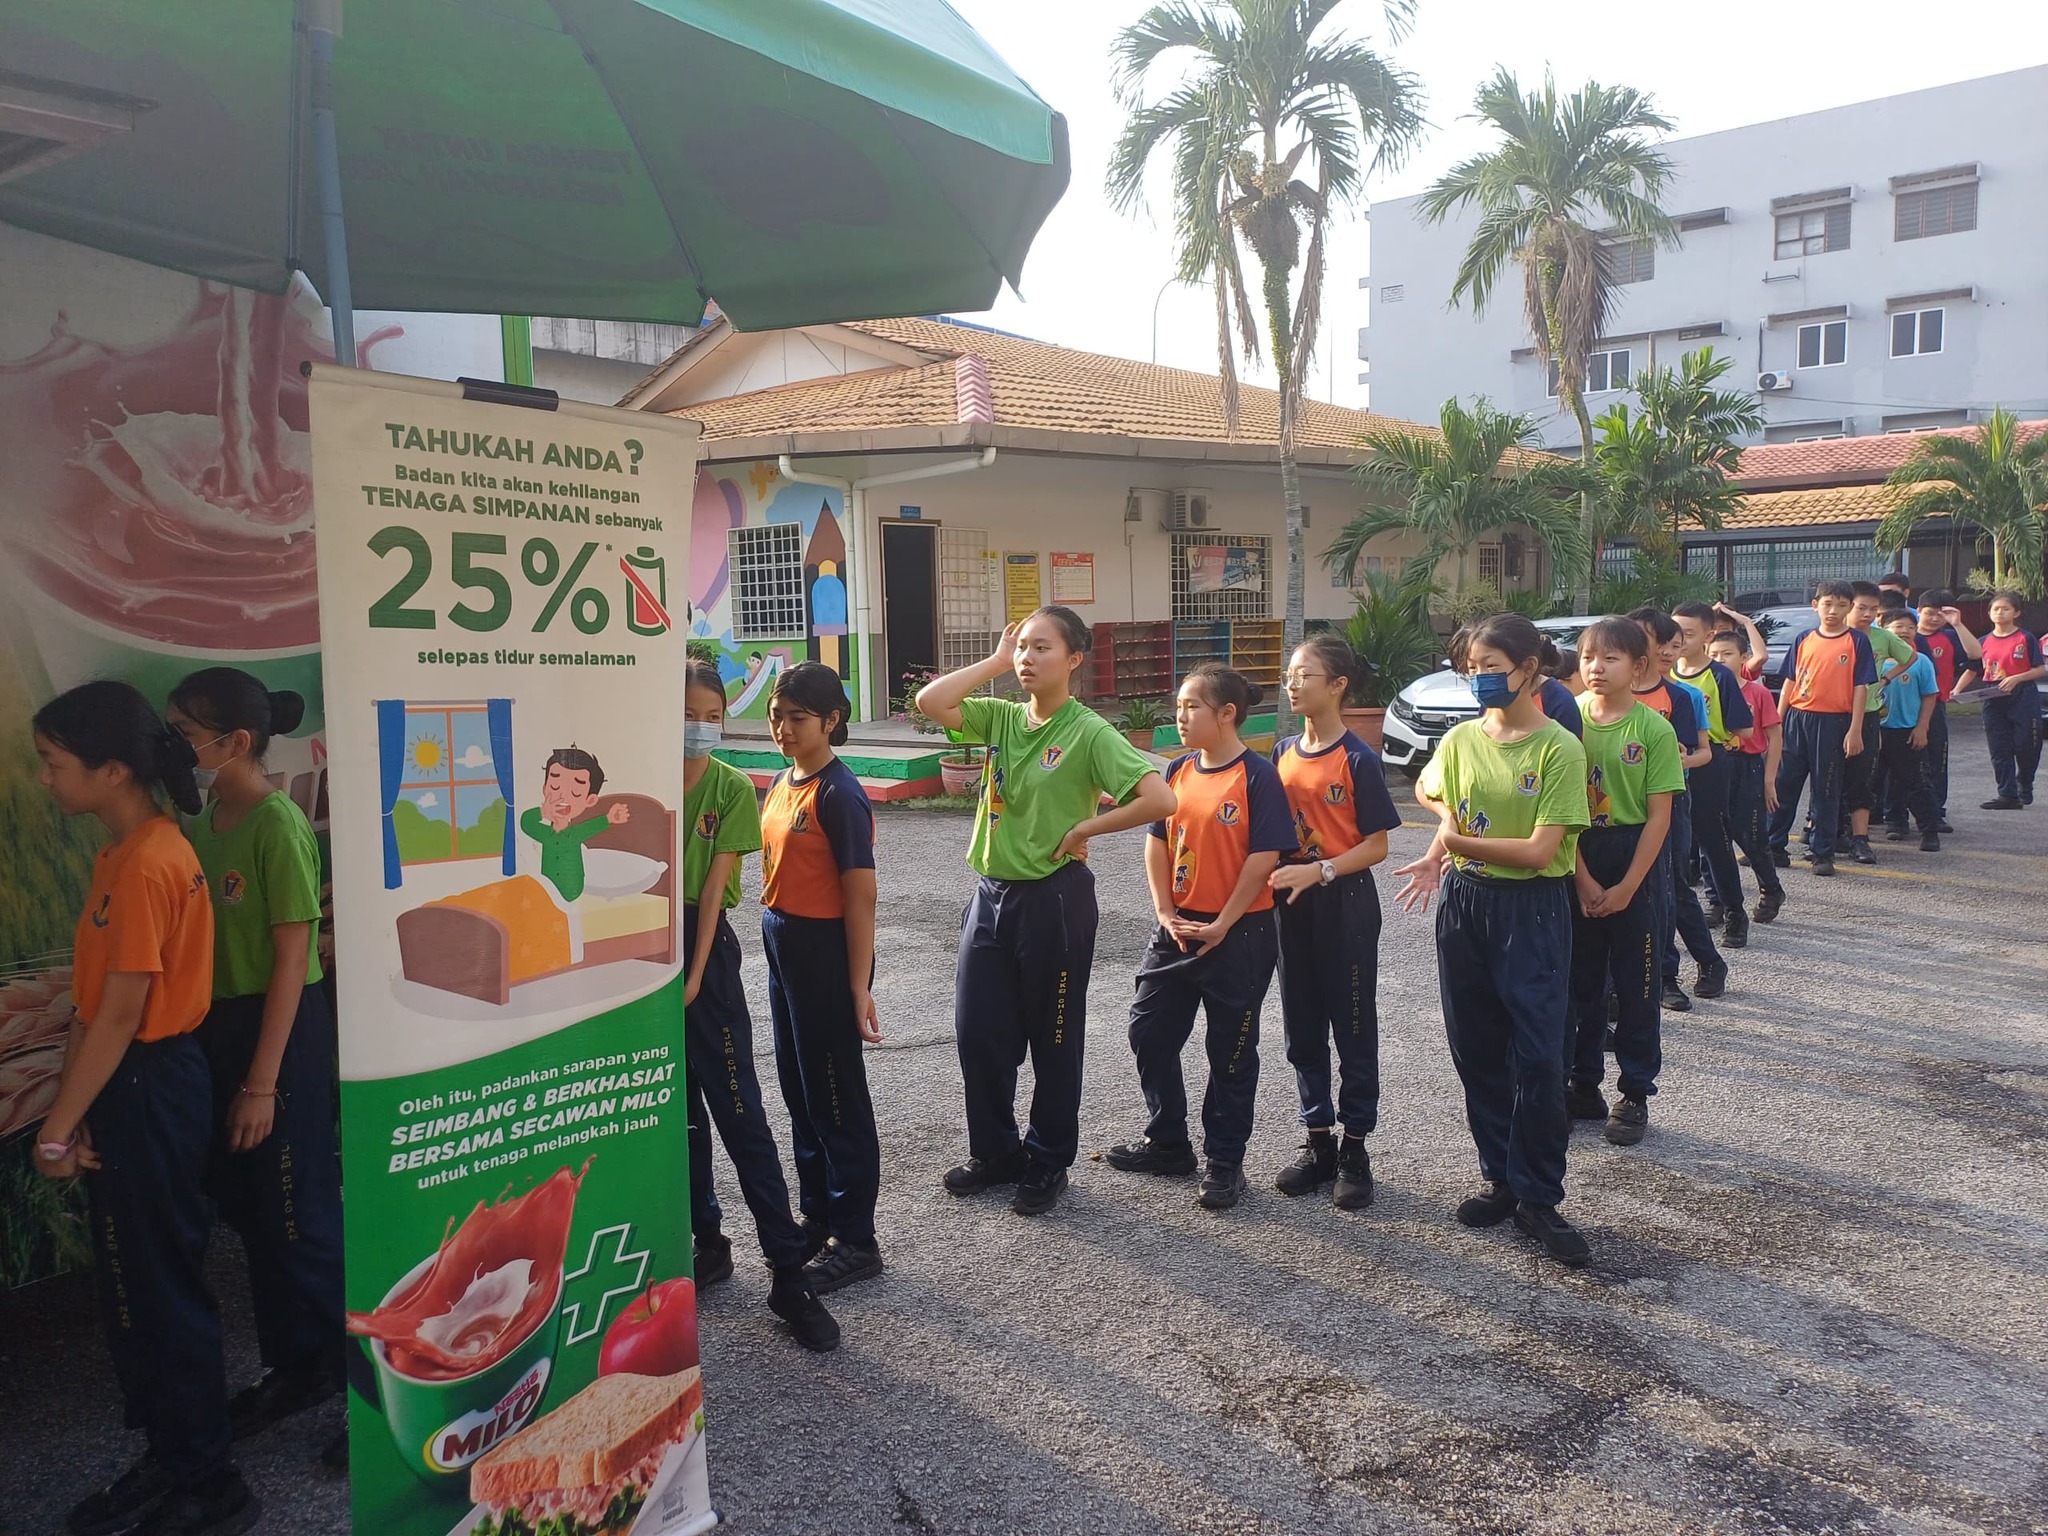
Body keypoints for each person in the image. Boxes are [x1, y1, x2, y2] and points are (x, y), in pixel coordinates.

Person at [33, 682, 259, 1536]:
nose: (44, 779)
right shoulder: (122, 855)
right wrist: (77, 1107)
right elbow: (91, 1008)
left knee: (161, 1284)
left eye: (53, 763)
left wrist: (57, 1130)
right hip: (123, 1082)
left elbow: (123, 1015)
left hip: (151, 1083)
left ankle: (212, 1481)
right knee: (132, 1277)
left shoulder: (152, 861)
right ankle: (171, 1452)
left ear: (113, 770)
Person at [915, 607, 1173, 1217]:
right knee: (979, 1031)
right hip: (990, 893)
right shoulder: (1003, 717)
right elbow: (931, 702)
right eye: (1023, 647)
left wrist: (1085, 827)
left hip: (1053, 897)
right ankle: (996, 1152)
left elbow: (1159, 797)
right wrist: (995, 662)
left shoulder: (1088, 731)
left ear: (1074, 660)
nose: (1027, 658)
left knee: (1053, 1035)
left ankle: (1049, 1158)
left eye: (1042, 648)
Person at [164, 669, 346, 1444]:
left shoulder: (277, 823)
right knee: (258, 1215)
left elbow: (292, 959)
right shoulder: (205, 819)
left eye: (182, 734)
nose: (173, 747)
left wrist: (263, 1084)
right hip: (222, 1029)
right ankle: (299, 1366)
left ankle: (375, 1391)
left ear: (234, 741)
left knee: (302, 1221)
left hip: (282, 1033)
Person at [1394, 615, 1592, 1268]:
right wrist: (1442, 833)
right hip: (1466, 903)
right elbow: (1431, 788)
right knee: (1475, 1046)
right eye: (1471, 669)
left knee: (1538, 1057)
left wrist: (1453, 841)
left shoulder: (1558, 748)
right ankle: (1500, 1178)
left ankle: (1539, 1195)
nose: (1479, 679)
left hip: (1531, 909)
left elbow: (1538, 852)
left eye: (1491, 668)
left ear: (1530, 669)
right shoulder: (1460, 739)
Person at [679, 659, 839, 1350]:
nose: (699, 726)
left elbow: (714, 895)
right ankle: (706, 1243)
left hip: (703, 954)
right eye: (687, 714)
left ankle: (786, 1273)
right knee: (676, 1118)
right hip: (640, 949)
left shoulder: (729, 788)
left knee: (740, 1115)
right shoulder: (635, 783)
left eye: (711, 715)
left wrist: (691, 980)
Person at [1109, 664, 1294, 1211]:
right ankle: (1168, 1142)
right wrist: (1164, 910)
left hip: (1239, 934)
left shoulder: (1257, 776)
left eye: (1192, 707)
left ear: (1227, 713)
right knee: (1149, 1032)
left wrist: (1224, 922)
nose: (1181, 717)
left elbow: (1264, 857)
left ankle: (1224, 1162)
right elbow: (1158, 840)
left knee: (1231, 1051)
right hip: (1178, 928)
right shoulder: (1178, 769)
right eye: (1179, 706)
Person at [759, 663, 884, 1291]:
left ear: (832, 720)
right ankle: (819, 1216)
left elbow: (861, 897)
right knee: (799, 1087)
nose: (784, 729)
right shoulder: (785, 780)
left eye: (798, 719)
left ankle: (856, 1238)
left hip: (824, 949)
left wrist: (858, 985)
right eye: (776, 717)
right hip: (782, 938)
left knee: (836, 1096)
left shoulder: (839, 794)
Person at [1266, 636, 1402, 1208]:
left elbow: (1376, 846)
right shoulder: (1281, 752)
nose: (1292, 683)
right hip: (1290, 905)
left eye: (1305, 674)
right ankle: (1317, 1138)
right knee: (1301, 1025)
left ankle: (1355, 1148)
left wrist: (1320, 870)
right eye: (1290, 674)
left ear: (1339, 686)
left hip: (1343, 902)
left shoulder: (1358, 758)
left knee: (1352, 1025)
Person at [1568, 619, 1684, 1147]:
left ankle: (1634, 1092)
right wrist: (1583, 879)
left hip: (1635, 855)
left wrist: (1628, 887)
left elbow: (1660, 818)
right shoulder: (1566, 721)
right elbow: (1555, 809)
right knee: (1581, 983)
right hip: (1578, 850)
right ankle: (1582, 1084)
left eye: (1610, 658)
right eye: (1588, 657)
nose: (1596, 668)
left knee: (1637, 985)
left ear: (1639, 667)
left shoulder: (1653, 729)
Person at [1625, 609, 1724, 1010]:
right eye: (1656, 639)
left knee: (1670, 888)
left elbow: (1696, 753)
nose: (1665, 650)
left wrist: (1674, 760)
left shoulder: (1680, 697)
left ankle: (1677, 972)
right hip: (1619, 801)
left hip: (1667, 799)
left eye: (1670, 642)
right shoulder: (1602, 695)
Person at [1768, 579, 1876, 876]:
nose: (1833, 611)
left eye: (1841, 605)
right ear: (1816, 605)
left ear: (1849, 608)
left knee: (1826, 789)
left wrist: (1855, 729)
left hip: (1833, 723)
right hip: (1798, 718)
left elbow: (1861, 687)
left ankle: (1822, 852)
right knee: (1784, 784)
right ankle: (1773, 846)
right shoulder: (1803, 638)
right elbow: (1790, 681)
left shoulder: (1857, 641)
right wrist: (1777, 721)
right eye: (1827, 604)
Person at [1669, 601, 1755, 946]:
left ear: (1708, 636)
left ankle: (1735, 911)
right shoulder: (1665, 672)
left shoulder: (1719, 675)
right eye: (1673, 633)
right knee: (1679, 843)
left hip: (1708, 761)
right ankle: (1710, 903)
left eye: (1688, 634)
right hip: (1665, 763)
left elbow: (1743, 728)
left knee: (1713, 840)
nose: (1678, 640)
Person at [1708, 630, 1786, 924]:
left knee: (1752, 837)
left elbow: (1774, 736)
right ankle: (1717, 899)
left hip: (1747, 767)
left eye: (1726, 654)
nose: (1719, 660)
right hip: (1713, 763)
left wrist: (1769, 780)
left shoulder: (1757, 693)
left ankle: (1770, 888)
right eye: (1713, 655)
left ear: (1743, 658)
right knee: (1711, 839)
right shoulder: (1704, 690)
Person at [1842, 581, 1917, 863]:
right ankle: (1824, 831)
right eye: (1861, 608)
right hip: (1833, 714)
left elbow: (1910, 656)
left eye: (1873, 610)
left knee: (1862, 777)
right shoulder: (1831, 636)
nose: (1867, 614)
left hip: (1869, 713)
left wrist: (1885, 678)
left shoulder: (1882, 638)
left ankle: (1860, 839)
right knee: (1828, 776)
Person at [1903, 590, 1980, 832]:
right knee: (1899, 760)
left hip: (1935, 705)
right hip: (1904, 705)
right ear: (1918, 611)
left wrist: (1957, 624)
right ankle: (1896, 814)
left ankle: (1935, 812)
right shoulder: (1904, 635)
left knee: (1937, 759)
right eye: (1929, 613)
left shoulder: (1950, 636)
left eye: (1941, 615)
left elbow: (1976, 656)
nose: (1935, 619)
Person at [1874, 611, 1943, 852]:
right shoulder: (1874, 658)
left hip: (1906, 731)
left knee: (1915, 782)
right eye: (1898, 626)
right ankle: (1893, 822)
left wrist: (1922, 727)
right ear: (1883, 629)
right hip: (1875, 730)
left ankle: (1929, 830)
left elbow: (1929, 695)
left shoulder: (1921, 661)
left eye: (1910, 627)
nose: (1905, 631)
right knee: (1870, 781)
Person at [1976, 590, 2044, 810]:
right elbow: (1973, 669)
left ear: (2016, 613)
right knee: (1999, 747)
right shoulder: (1983, 641)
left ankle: (2025, 782)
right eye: (1995, 609)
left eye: (2005, 609)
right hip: (1993, 695)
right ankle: (2007, 794)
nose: (2000, 613)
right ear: (1989, 613)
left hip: (2022, 694)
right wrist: (1957, 691)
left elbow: (2040, 669)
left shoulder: (2025, 638)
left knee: (2027, 744)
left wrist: (2016, 678)